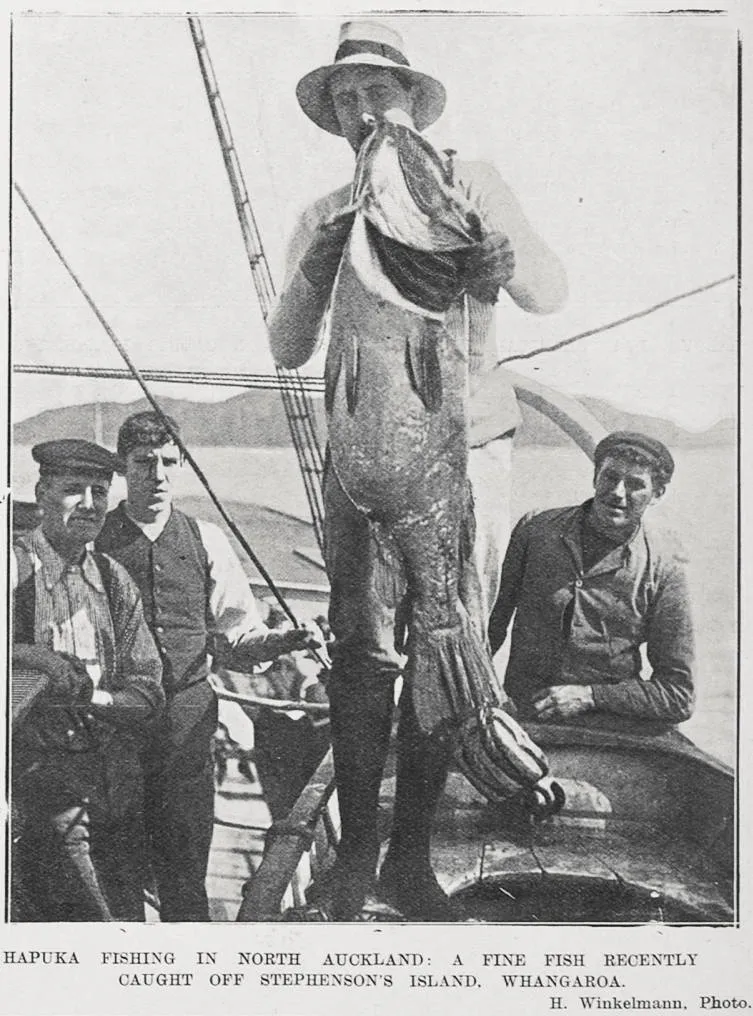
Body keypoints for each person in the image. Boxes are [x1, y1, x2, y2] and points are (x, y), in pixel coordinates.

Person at [267, 20, 567, 920]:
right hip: (364, 465)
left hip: (467, 455)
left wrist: (504, 256)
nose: (361, 111)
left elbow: (547, 290)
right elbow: (285, 348)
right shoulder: (322, 214)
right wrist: (316, 269)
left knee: (446, 644)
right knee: (362, 655)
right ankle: (358, 858)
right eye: (345, 100)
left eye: (377, 93)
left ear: (409, 103)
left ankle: (410, 860)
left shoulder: (466, 184)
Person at [95, 411, 319, 921]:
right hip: (115, 735)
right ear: (122, 467)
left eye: (168, 462)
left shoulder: (206, 539)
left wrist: (287, 639)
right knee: (118, 878)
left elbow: (237, 640)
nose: (157, 475)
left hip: (186, 733)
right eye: (143, 462)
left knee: (185, 877)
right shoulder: (95, 541)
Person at [11, 439, 165, 921]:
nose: (89, 504)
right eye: (73, 490)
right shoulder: (13, 569)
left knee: (128, 918)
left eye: (100, 492)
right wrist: (31, 657)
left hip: (111, 788)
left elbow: (148, 689)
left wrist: (92, 697)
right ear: (41, 494)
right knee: (89, 919)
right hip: (37, 785)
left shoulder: (113, 580)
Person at [488, 431, 695, 726]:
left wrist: (591, 696)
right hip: (524, 718)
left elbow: (679, 695)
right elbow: (488, 630)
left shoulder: (663, 570)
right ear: (596, 476)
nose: (618, 492)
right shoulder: (536, 531)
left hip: (611, 726)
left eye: (635, 484)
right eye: (610, 477)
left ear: (657, 494)